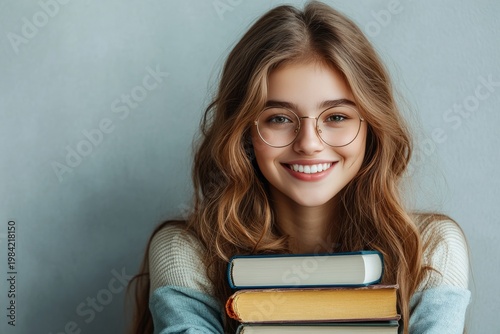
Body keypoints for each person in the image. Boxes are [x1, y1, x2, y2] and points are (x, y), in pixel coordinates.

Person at [127, 1, 470, 333]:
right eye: (279, 118)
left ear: (372, 129)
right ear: (244, 133)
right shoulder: (186, 252)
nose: (309, 143)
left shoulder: (431, 248)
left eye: (336, 117)